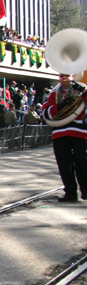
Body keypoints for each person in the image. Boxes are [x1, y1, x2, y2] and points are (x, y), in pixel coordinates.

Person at [41, 73, 87, 202]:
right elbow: (45, 112)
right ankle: (70, 192)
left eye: (67, 76)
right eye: (61, 76)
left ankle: (85, 189)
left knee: (81, 161)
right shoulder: (54, 94)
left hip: (80, 131)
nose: (64, 79)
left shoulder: (81, 89)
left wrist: (83, 92)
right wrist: (60, 106)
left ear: (73, 76)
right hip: (60, 132)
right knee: (64, 164)